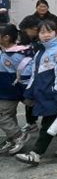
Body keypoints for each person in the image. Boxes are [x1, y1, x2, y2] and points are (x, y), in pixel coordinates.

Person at [15, 20, 57, 166]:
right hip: (45, 95)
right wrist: (29, 93)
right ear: (38, 34)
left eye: (49, 31)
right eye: (42, 32)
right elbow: (34, 74)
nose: (46, 35)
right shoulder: (39, 52)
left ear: (56, 32)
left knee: (48, 124)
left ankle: (36, 154)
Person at [0, 24, 33, 155]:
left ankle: (19, 136)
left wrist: (26, 93)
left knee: (2, 115)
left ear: (6, 38)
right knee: (8, 115)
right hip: (5, 90)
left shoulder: (16, 55)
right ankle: (12, 138)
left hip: (10, 91)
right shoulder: (7, 51)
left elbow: (25, 75)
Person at [17, 15, 41, 133]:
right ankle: (31, 123)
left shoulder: (38, 43)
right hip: (26, 78)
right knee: (29, 101)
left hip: (34, 77)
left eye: (25, 31)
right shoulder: (25, 42)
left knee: (31, 100)